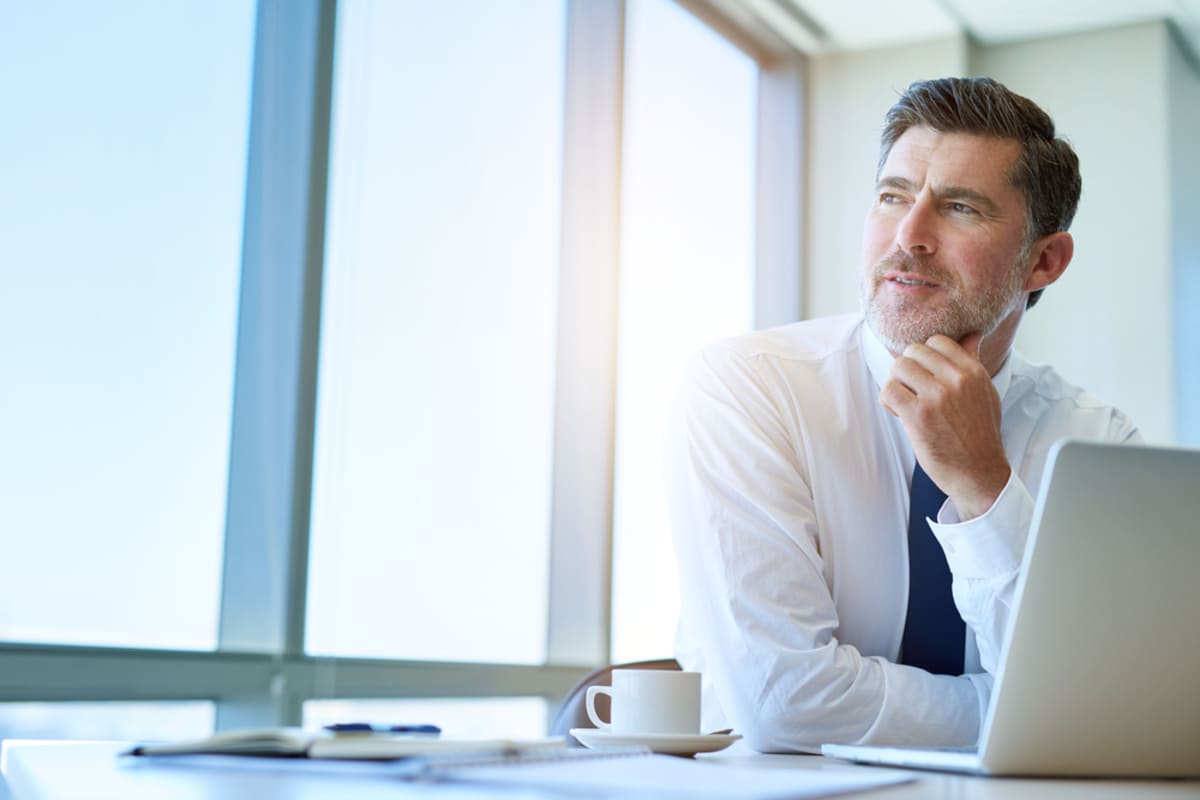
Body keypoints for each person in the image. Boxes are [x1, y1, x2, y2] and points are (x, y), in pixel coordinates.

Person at [663, 76, 1138, 753]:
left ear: (1043, 260)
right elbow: (785, 704)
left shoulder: (1099, 443)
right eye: (891, 197)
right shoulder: (748, 389)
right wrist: (1019, 715)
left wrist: (983, 488)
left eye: (961, 208)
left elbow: (1115, 708)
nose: (908, 235)